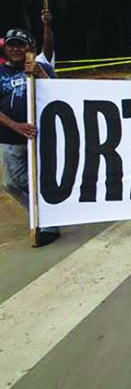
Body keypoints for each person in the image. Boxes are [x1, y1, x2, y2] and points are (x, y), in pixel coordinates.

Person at [0, 28, 60, 247]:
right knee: (11, 184)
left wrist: (41, 75)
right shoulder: (0, 72)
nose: (15, 49)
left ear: (29, 47)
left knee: (44, 178)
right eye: (11, 44)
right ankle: (41, 215)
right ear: (5, 47)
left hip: (42, 135)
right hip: (11, 139)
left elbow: (60, 94)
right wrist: (16, 126)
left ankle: (47, 223)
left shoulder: (41, 67)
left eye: (20, 44)